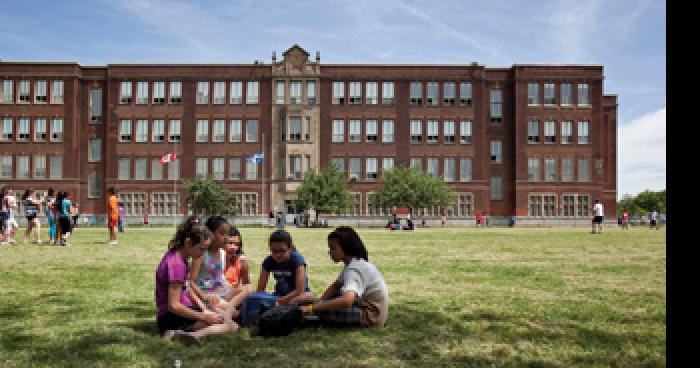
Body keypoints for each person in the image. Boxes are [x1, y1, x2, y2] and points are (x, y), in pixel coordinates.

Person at [155, 217, 238, 346]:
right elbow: (173, 306)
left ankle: (185, 333)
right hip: (171, 318)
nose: (203, 253)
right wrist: (204, 316)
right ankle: (188, 335)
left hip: (178, 313)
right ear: (188, 243)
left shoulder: (176, 257)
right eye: (201, 248)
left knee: (224, 316)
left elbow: (187, 290)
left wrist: (204, 309)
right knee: (230, 325)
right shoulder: (176, 265)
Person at [300, 226, 389, 328]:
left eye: (333, 248)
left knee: (327, 309)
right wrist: (320, 303)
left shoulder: (353, 270)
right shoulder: (354, 263)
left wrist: (311, 308)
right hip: (372, 311)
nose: (329, 252)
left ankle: (308, 318)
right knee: (331, 300)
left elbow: (346, 301)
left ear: (347, 247)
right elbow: (335, 286)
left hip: (371, 316)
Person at [189, 216, 249, 320]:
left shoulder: (222, 253)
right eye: (222, 233)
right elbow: (190, 282)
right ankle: (228, 311)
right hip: (209, 297)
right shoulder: (202, 254)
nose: (226, 237)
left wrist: (231, 289)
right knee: (236, 314)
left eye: (227, 233)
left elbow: (220, 276)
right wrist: (204, 297)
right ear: (210, 234)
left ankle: (228, 310)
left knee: (248, 288)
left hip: (223, 293)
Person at [256, 230, 314, 305]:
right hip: (279, 295)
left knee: (309, 296)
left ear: (290, 248)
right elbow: (260, 289)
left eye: (282, 251)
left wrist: (279, 302)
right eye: (274, 251)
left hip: (299, 296)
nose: (278, 255)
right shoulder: (268, 261)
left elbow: (299, 290)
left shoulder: (297, 259)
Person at [223, 225, 252, 293]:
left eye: (237, 244)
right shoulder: (214, 260)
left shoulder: (241, 261)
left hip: (233, 297)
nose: (233, 247)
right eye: (230, 243)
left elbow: (246, 285)